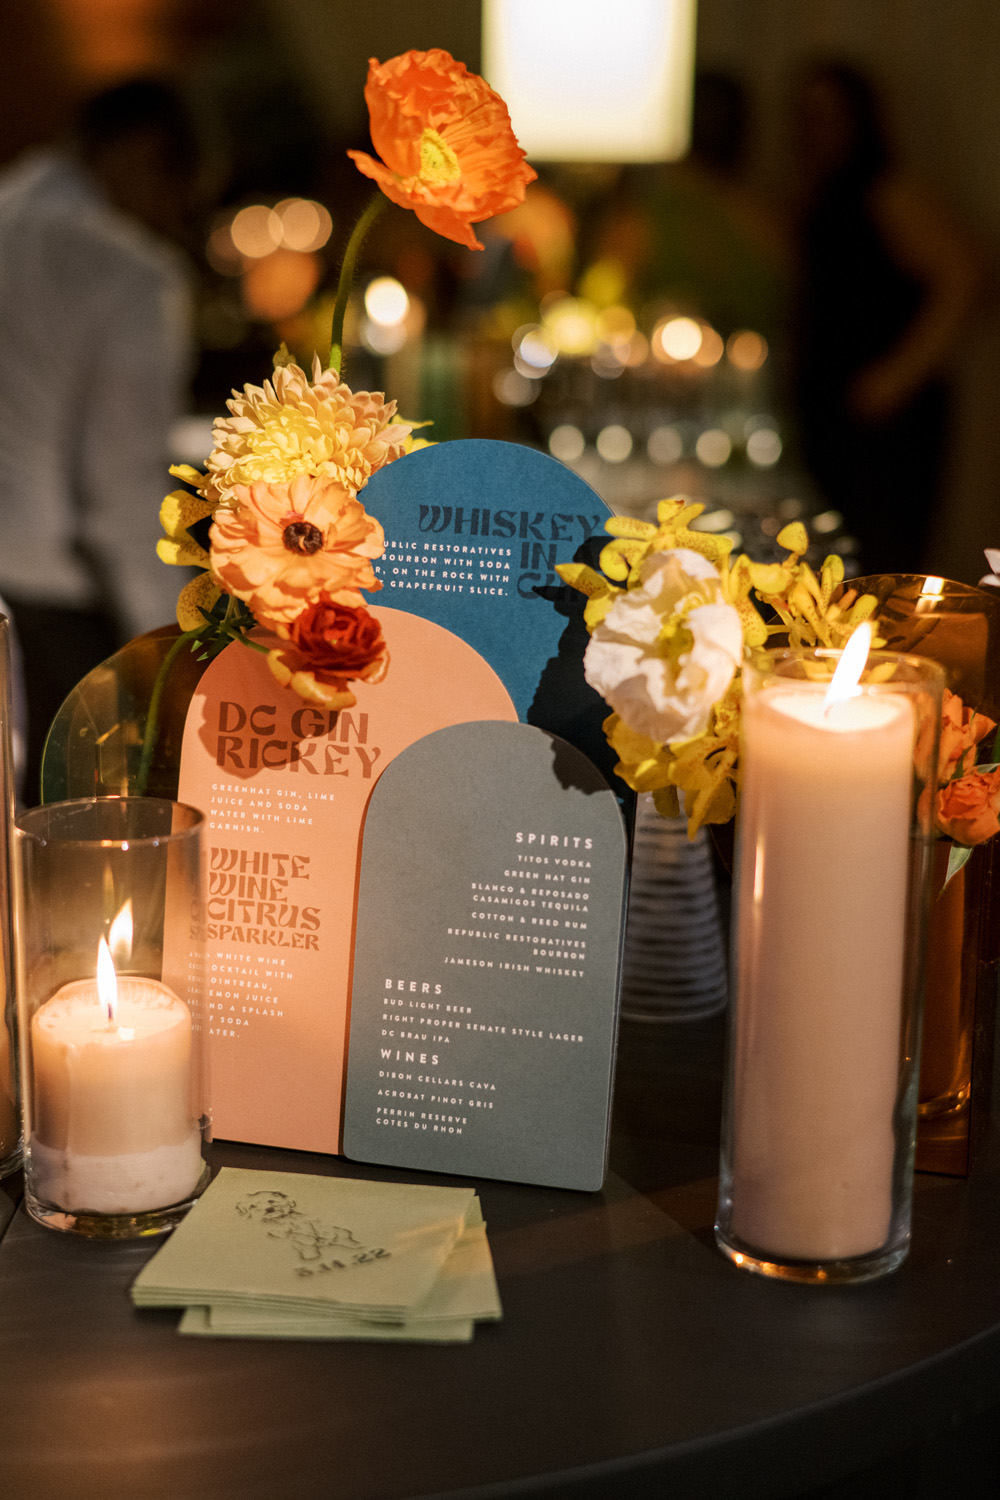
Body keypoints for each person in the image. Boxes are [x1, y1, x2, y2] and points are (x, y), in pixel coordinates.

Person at [0, 78, 202, 801]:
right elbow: (117, 496)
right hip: (47, 611)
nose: (170, 218)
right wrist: (173, 658)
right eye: (177, 192)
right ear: (144, 156)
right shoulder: (131, 273)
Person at [787, 60, 981, 576]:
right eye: (806, 117)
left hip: (890, 423)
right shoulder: (820, 197)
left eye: (829, 116)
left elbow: (965, 277)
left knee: (885, 561)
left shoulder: (890, 194)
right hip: (834, 411)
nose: (815, 130)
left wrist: (898, 376)